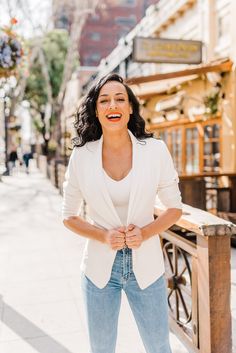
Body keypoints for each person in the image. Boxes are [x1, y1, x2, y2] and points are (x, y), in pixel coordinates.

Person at [62, 73, 183, 353]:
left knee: (159, 347)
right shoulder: (82, 155)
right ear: (96, 110)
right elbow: (68, 215)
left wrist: (145, 233)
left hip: (148, 267)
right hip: (99, 270)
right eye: (104, 100)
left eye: (120, 99)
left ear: (130, 108)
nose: (112, 105)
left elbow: (174, 207)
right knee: (102, 349)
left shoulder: (155, 150)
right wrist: (104, 235)